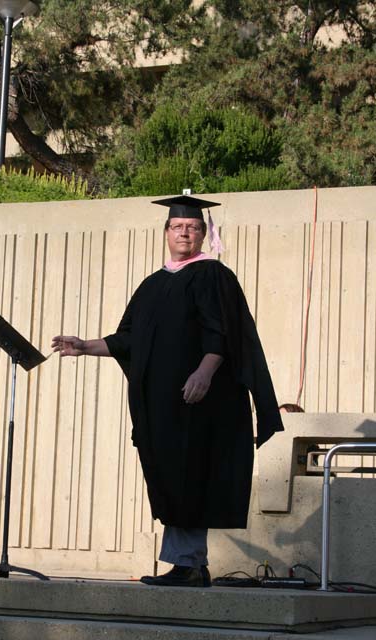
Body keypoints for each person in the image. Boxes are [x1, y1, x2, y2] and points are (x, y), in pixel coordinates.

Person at [52, 195, 283, 587]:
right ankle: (187, 563)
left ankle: (189, 565)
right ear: (166, 233)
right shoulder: (153, 284)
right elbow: (128, 339)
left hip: (201, 405)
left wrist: (205, 372)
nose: (185, 233)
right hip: (163, 408)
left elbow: (222, 332)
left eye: (192, 227)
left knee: (193, 477)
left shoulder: (213, 275)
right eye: (177, 227)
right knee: (172, 478)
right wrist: (86, 346)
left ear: (203, 234)